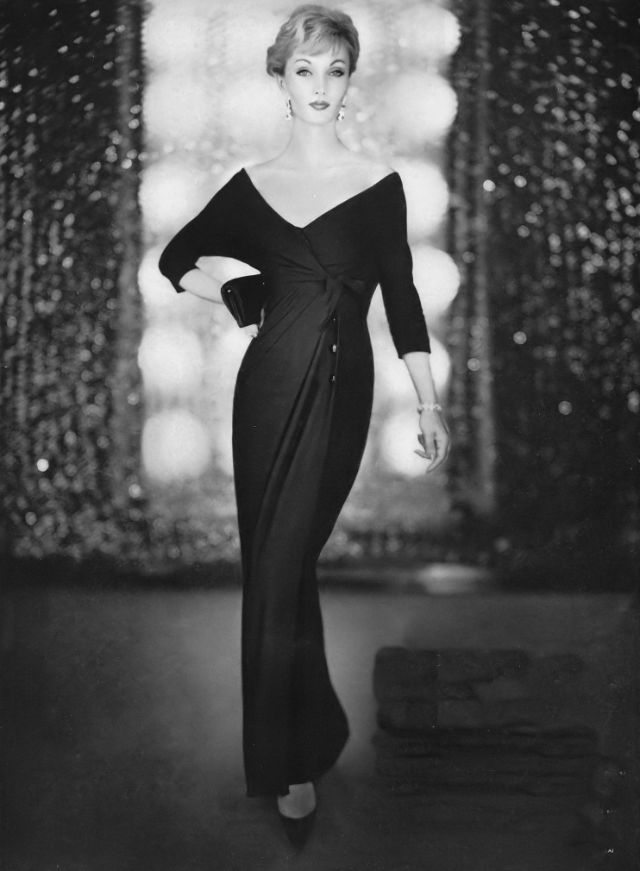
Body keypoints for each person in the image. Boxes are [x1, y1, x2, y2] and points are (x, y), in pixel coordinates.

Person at [159, 3, 450, 847]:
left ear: (350, 82)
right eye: (303, 69)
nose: (320, 85)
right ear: (279, 81)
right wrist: (236, 293)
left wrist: (428, 401)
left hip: (343, 393)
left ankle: (306, 736)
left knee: (287, 569)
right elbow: (174, 260)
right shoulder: (249, 189)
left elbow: (403, 300)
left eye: (335, 69)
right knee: (274, 573)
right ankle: (293, 758)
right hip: (266, 394)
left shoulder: (380, 187)